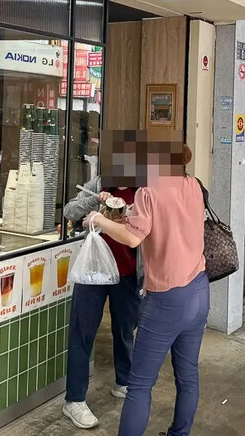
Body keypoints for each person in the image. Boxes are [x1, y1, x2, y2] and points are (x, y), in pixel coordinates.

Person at [88, 140, 207, 436]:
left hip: (167, 298)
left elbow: (132, 238)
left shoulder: (149, 191)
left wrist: (99, 219)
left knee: (139, 385)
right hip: (199, 290)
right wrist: (126, 214)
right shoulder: (193, 185)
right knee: (188, 376)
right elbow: (166, 220)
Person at [61, 176, 141, 430]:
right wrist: (94, 201)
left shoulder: (143, 191)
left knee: (125, 330)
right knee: (82, 332)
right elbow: (69, 211)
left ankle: (124, 381)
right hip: (92, 272)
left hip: (128, 274)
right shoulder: (99, 184)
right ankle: (74, 399)